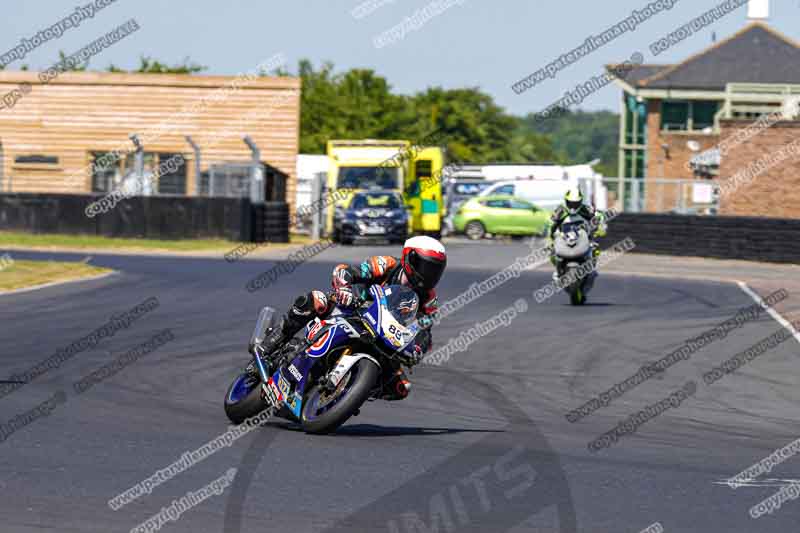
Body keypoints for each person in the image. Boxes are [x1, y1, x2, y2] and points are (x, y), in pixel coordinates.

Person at [250, 236, 447, 401]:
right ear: (409, 258)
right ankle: (271, 343)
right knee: (316, 300)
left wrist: (418, 348)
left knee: (400, 388)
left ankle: (347, 391)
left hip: (385, 337)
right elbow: (345, 270)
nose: (429, 275)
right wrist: (344, 288)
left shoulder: (429, 298)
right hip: (352, 310)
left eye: (435, 270)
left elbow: (425, 330)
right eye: (426, 267)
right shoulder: (387, 264)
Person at [548, 187, 607, 287]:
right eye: (570, 203)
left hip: (583, 238)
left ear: (580, 202)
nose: (573, 207)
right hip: (564, 239)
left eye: (575, 204)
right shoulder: (560, 210)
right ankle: (558, 272)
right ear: (566, 201)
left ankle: (591, 268)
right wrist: (551, 235)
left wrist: (600, 227)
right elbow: (550, 223)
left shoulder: (587, 209)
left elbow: (600, 217)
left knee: (595, 248)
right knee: (551, 251)